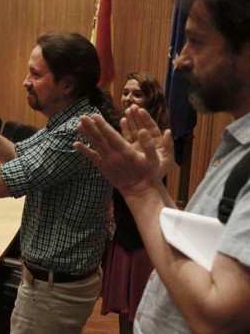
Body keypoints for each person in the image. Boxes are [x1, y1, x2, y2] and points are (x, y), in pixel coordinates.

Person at [74, 0, 250, 332]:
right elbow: (205, 253)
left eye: (195, 41)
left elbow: (218, 318)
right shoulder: (237, 145)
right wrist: (152, 186)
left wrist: (140, 192)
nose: (180, 60)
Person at [0, 32, 115, 333]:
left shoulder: (77, 130)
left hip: (54, 292)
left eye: (36, 74)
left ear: (67, 84)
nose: (26, 81)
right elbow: (15, 155)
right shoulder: (70, 119)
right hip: (53, 286)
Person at [99, 72, 170, 334]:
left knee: (139, 310)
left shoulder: (157, 137)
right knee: (124, 311)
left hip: (144, 235)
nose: (128, 97)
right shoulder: (120, 129)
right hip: (122, 231)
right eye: (126, 92)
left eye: (136, 93)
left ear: (150, 100)